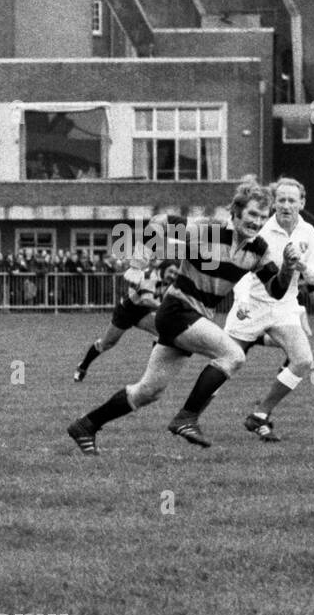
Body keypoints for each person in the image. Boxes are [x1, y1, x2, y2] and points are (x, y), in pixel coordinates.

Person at [67, 179, 287, 455]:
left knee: (147, 391)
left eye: (263, 217)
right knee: (233, 356)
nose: (257, 222)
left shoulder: (259, 249)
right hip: (177, 310)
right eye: (253, 214)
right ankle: (187, 418)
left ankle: (86, 426)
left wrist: (288, 267)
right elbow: (159, 222)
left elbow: (276, 289)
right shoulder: (209, 229)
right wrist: (138, 262)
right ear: (236, 212)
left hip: (194, 316)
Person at [221, 177, 314, 442]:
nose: (286, 205)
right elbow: (242, 271)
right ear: (273, 203)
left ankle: (259, 415)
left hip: (284, 307)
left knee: (303, 360)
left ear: (302, 203)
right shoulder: (259, 230)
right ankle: (189, 416)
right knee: (225, 363)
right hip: (252, 304)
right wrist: (243, 300)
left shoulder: (308, 232)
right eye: (281, 199)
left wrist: (302, 267)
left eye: (292, 200)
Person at [73, 244, 178, 381]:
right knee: (107, 343)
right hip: (126, 311)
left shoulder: (168, 280)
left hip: (142, 312)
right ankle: (83, 366)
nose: (173, 275)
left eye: (175, 273)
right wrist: (166, 308)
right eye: (170, 271)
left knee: (161, 333)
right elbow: (147, 300)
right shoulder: (149, 275)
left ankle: (153, 372)